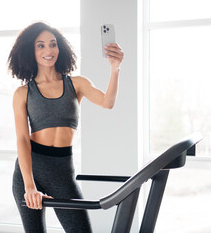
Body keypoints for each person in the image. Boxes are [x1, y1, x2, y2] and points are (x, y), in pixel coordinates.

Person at [9, 22, 124, 233]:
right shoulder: (22, 93)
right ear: (30, 51)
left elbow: (107, 102)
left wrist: (115, 68)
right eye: (40, 45)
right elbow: (22, 140)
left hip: (62, 169)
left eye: (53, 44)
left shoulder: (77, 83)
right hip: (31, 170)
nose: (48, 50)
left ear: (60, 48)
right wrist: (29, 186)